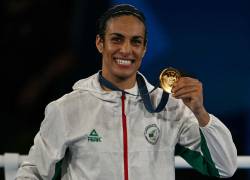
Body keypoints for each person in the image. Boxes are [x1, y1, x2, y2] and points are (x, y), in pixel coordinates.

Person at [16, 4, 237, 180]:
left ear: (144, 48)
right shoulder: (66, 109)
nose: (126, 50)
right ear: (100, 43)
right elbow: (33, 174)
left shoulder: (169, 108)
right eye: (117, 39)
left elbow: (224, 167)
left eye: (135, 41)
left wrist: (201, 113)